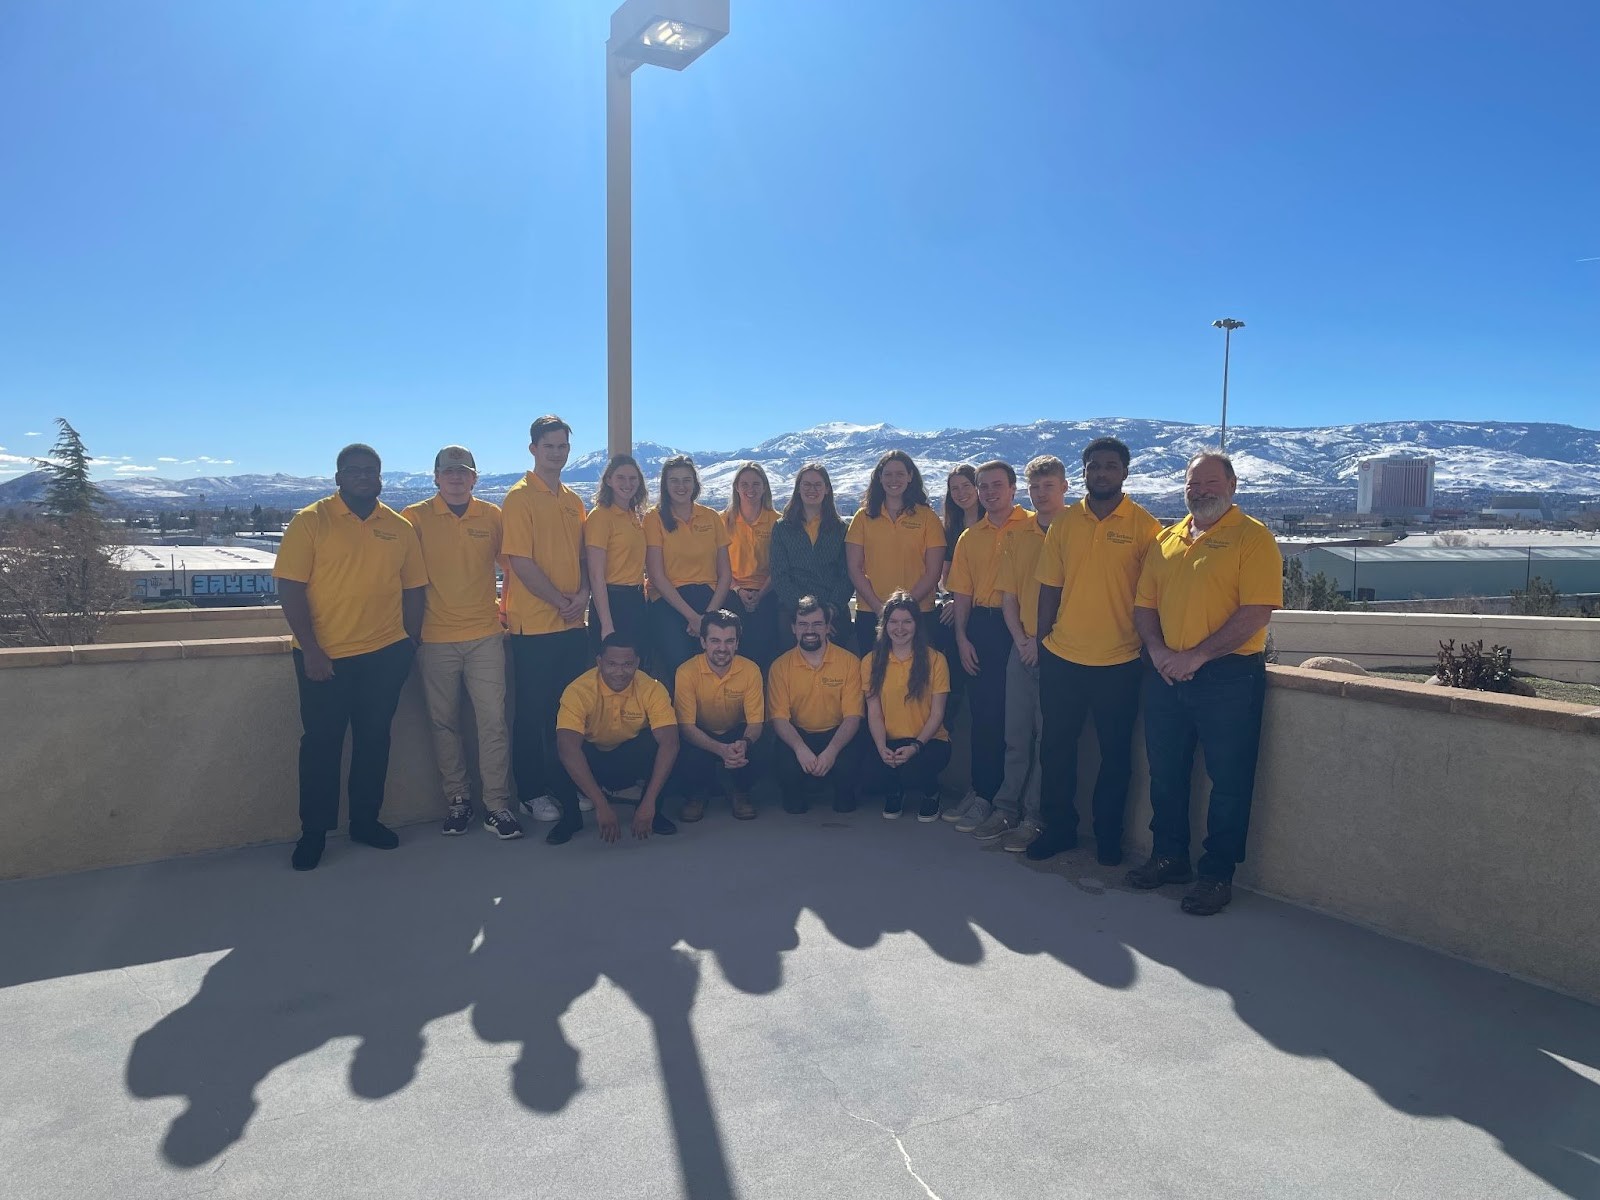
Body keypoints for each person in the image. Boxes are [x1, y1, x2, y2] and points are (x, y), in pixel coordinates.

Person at [1128, 450, 1284, 916]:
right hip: (1164, 674)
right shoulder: (1167, 539)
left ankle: (1216, 874)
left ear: (1233, 485)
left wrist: (1197, 656)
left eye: (1210, 483)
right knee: (1166, 773)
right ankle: (1170, 857)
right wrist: (1159, 653)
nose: (1200, 491)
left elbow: (1257, 610)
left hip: (1228, 677)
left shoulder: (1253, 538)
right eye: (1192, 484)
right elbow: (1144, 607)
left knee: (1229, 781)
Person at [273, 443, 427, 872]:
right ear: (338, 477)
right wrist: (313, 650)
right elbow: (290, 588)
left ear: (381, 477)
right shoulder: (310, 522)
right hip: (326, 660)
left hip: (384, 656)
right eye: (354, 470)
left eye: (371, 470)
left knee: (374, 743)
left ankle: (365, 822)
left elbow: (414, 588)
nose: (364, 476)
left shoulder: (398, 527)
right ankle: (314, 834)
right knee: (321, 746)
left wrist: (409, 643)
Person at [1026, 437, 1163, 866]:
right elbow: (1050, 586)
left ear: (1124, 472)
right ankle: (1059, 829)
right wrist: (1042, 641)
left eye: (1110, 466)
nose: (1101, 472)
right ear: (1083, 473)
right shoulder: (1065, 524)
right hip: (1063, 657)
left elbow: (1154, 595)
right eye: (1093, 466)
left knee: (1115, 757)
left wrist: (1148, 646)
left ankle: (1108, 838)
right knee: (1056, 751)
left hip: (1120, 662)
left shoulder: (1146, 527)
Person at [401, 446, 522, 842]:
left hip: (485, 635)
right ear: (435, 476)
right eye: (448, 471)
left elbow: (513, 568)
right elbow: (404, 581)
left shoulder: (493, 516)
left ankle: (497, 806)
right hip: (434, 639)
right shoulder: (414, 518)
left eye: (464, 471)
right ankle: (458, 800)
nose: (456, 477)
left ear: (475, 477)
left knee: (493, 724)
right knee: (444, 724)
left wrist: (507, 610)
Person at [958, 455, 1070, 849]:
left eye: (1048, 486)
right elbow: (1009, 596)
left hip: (1059, 650)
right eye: (1036, 487)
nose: (1041, 494)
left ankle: (1035, 816)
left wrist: (1041, 643)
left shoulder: (1072, 531)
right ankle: (1006, 806)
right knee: (1015, 734)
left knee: (1047, 739)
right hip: (1018, 644)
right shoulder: (1019, 538)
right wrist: (1024, 641)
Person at [502, 415, 591, 844]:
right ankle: (532, 792)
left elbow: (585, 559)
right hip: (535, 626)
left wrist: (585, 595)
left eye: (562, 446)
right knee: (533, 713)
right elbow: (520, 562)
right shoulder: (519, 499)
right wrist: (562, 602)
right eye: (549, 445)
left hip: (573, 624)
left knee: (568, 711)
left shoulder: (574, 500)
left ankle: (565, 783)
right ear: (533, 448)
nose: (557, 452)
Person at [946, 459, 1029, 827]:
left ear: (1013, 488)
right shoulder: (969, 536)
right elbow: (962, 593)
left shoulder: (1033, 528)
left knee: (1019, 721)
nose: (990, 492)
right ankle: (983, 793)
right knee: (984, 716)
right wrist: (962, 637)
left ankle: (1008, 803)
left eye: (998, 485)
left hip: (1023, 628)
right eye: (985, 487)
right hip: (981, 626)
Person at [553, 633, 680, 843]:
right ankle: (571, 818)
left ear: (637, 663)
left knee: (663, 744)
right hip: (592, 760)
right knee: (558, 751)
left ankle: (653, 812)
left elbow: (670, 744)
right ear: (599, 662)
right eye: (612, 664)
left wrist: (649, 801)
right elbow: (568, 748)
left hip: (628, 758)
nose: (619, 672)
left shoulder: (652, 688)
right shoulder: (577, 690)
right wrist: (601, 806)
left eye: (628, 664)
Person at [860, 591, 952, 821]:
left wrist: (916, 746)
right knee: (866, 771)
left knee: (917, 766)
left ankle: (931, 793)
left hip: (927, 740)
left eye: (906, 622)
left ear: (916, 625)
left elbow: (938, 713)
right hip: (890, 739)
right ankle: (895, 791)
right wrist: (881, 746)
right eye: (893, 622)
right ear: (884, 625)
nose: (900, 629)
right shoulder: (870, 662)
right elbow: (874, 711)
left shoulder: (936, 660)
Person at [767, 596, 863, 814]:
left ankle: (842, 789)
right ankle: (798, 790)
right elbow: (779, 719)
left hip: (837, 735)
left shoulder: (849, 663)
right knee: (791, 791)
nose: (810, 630)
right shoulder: (780, 667)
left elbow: (853, 717)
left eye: (817, 624)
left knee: (845, 803)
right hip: (799, 735)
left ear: (828, 627)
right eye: (803, 624)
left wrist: (831, 752)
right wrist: (801, 750)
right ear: (793, 628)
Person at [644, 456, 732, 692]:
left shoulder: (711, 517)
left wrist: (709, 615)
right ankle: (683, 726)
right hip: (669, 602)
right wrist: (693, 618)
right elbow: (656, 575)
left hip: (710, 600)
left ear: (695, 484)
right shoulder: (654, 518)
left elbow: (725, 574)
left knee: (719, 664)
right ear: (665, 485)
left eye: (686, 480)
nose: (681, 486)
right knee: (680, 666)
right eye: (674, 481)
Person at [844, 450, 945, 656]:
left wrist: (904, 608)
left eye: (900, 474)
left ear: (910, 476)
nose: (894, 480)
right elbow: (854, 568)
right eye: (888, 474)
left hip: (919, 612)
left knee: (917, 678)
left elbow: (933, 571)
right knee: (873, 678)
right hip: (872, 612)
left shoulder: (928, 517)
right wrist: (880, 608)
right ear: (879, 478)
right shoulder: (862, 517)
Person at [670, 609, 766, 822]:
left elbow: (756, 723)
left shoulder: (751, 670)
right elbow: (686, 727)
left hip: (735, 732)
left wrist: (744, 743)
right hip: (700, 733)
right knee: (683, 751)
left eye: (729, 641)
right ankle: (696, 795)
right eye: (715, 641)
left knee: (758, 748)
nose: (722, 648)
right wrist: (721, 750)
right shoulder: (686, 672)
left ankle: (740, 792)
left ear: (737, 643)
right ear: (703, 642)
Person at [768, 463, 852, 650]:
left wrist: (829, 611)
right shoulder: (782, 528)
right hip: (792, 613)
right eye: (806, 485)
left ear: (827, 489)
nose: (811, 490)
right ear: (798, 489)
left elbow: (847, 574)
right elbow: (779, 575)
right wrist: (804, 615)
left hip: (833, 614)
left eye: (817, 485)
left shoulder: (841, 529)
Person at [585, 453, 650, 655]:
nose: (627, 483)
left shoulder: (635, 516)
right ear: (608, 480)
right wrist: (606, 624)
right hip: (612, 602)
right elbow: (596, 575)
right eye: (621, 477)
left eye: (633, 478)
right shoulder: (601, 516)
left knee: (637, 668)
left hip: (636, 600)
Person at [934, 464, 980, 726]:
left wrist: (963, 601)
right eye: (954, 488)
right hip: (955, 605)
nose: (961, 493)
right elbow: (946, 576)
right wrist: (951, 599)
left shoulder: (995, 523)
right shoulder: (950, 527)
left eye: (966, 485)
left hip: (984, 608)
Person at [723, 462, 780, 669]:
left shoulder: (778, 522)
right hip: (731, 590)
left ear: (764, 487)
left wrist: (760, 594)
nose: (750, 489)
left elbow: (779, 566)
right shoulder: (723, 520)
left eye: (756, 484)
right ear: (736, 487)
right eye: (744, 484)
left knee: (763, 641)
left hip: (767, 591)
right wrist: (738, 590)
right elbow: (717, 564)